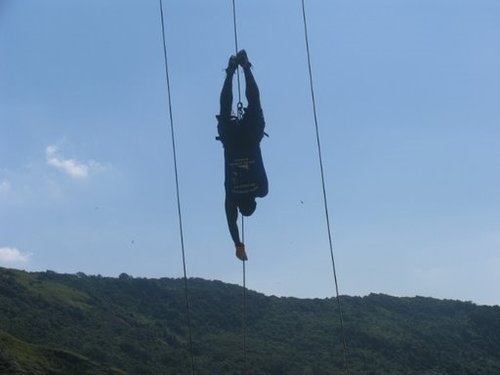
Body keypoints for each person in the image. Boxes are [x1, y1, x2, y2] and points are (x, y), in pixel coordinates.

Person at [216, 50, 268, 261]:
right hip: (231, 144)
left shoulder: (261, 191)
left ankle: (244, 67)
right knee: (225, 108)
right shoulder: (232, 198)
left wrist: (239, 244)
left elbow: (233, 218)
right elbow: (231, 221)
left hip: (250, 139)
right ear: (240, 207)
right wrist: (237, 244)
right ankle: (230, 72)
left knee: (255, 104)